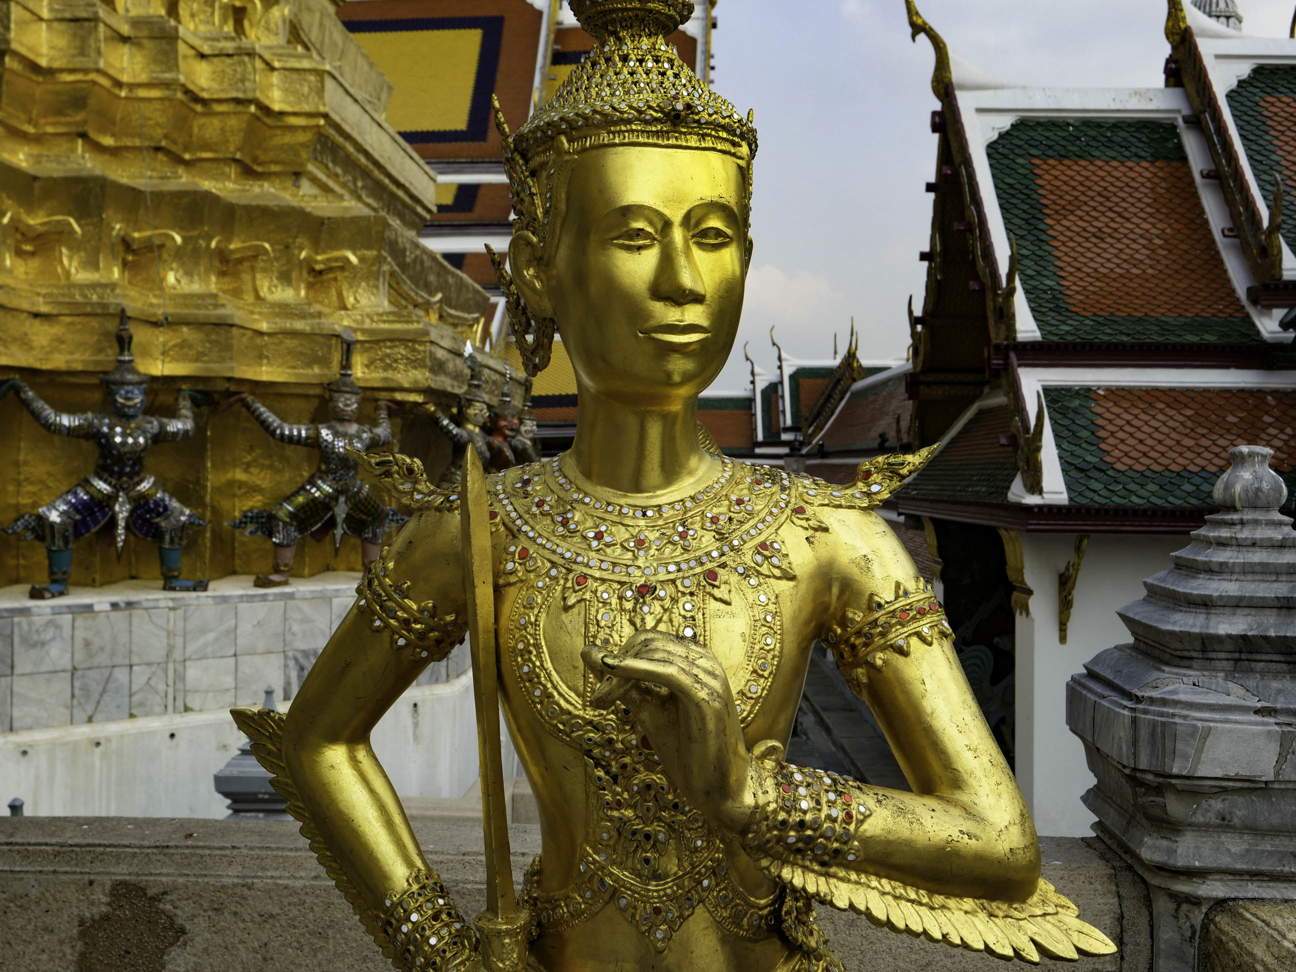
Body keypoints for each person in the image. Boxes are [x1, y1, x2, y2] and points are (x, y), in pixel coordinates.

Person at [234, 2, 1115, 968]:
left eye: (712, 234)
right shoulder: (481, 531)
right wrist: (443, 952)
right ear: (539, 267)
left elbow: (999, 841)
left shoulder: (825, 538)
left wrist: (752, 795)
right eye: (634, 234)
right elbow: (320, 742)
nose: (683, 282)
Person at [2, 312, 208, 597]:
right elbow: (54, 421)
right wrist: (21, 389)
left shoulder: (151, 425)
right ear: (110, 396)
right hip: (101, 484)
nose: (131, 401)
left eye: (137, 395)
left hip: (140, 486)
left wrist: (185, 398)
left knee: (177, 517)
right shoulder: (98, 423)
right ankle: (59, 582)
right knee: (55, 518)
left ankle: (173, 577)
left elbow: (185, 428)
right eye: (124, 396)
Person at [227, 330, 393, 586]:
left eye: (351, 402)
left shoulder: (364, 434)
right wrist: (250, 403)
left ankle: (372, 573)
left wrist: (382, 409)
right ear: (331, 402)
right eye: (341, 400)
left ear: (359, 404)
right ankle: (282, 572)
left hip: (353, 487)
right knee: (282, 515)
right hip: (322, 486)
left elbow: (385, 434)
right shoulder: (322, 432)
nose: (347, 406)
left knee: (379, 515)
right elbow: (281, 430)